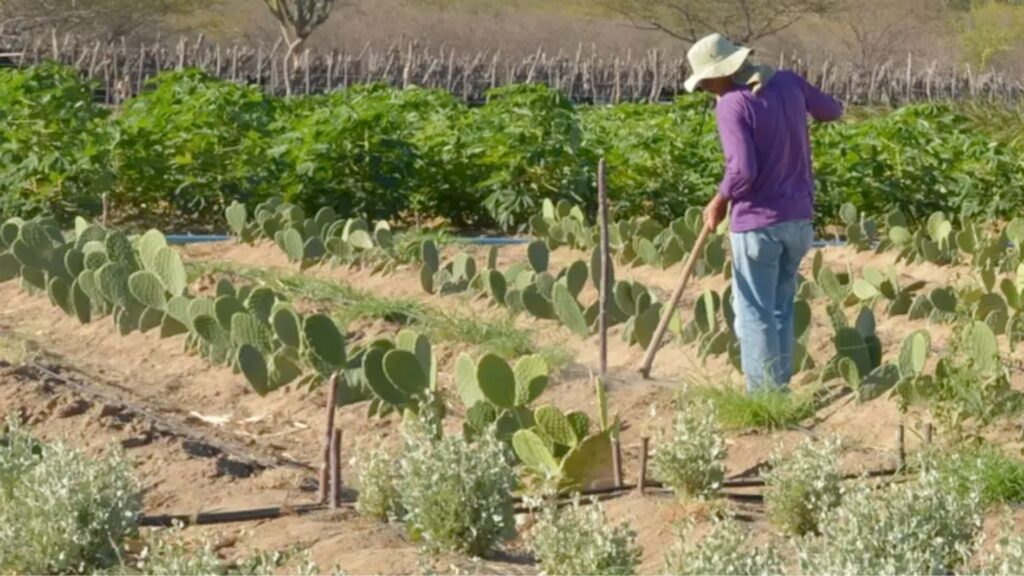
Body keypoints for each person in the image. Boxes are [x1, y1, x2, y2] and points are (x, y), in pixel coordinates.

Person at [685, 33, 844, 392]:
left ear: (723, 72)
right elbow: (832, 110)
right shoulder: (788, 81)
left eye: (707, 80)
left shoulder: (731, 104)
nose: (707, 88)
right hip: (799, 221)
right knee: (781, 307)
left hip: (757, 224)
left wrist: (719, 200)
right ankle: (780, 391)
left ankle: (763, 398)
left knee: (755, 313)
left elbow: (742, 171)